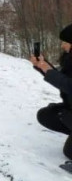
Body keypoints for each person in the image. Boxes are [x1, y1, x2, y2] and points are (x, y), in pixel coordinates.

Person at [33, 24, 72, 166]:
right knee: (46, 115)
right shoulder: (69, 59)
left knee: (69, 152)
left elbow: (68, 85)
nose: (62, 46)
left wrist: (47, 70)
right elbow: (62, 80)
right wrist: (42, 66)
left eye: (66, 42)